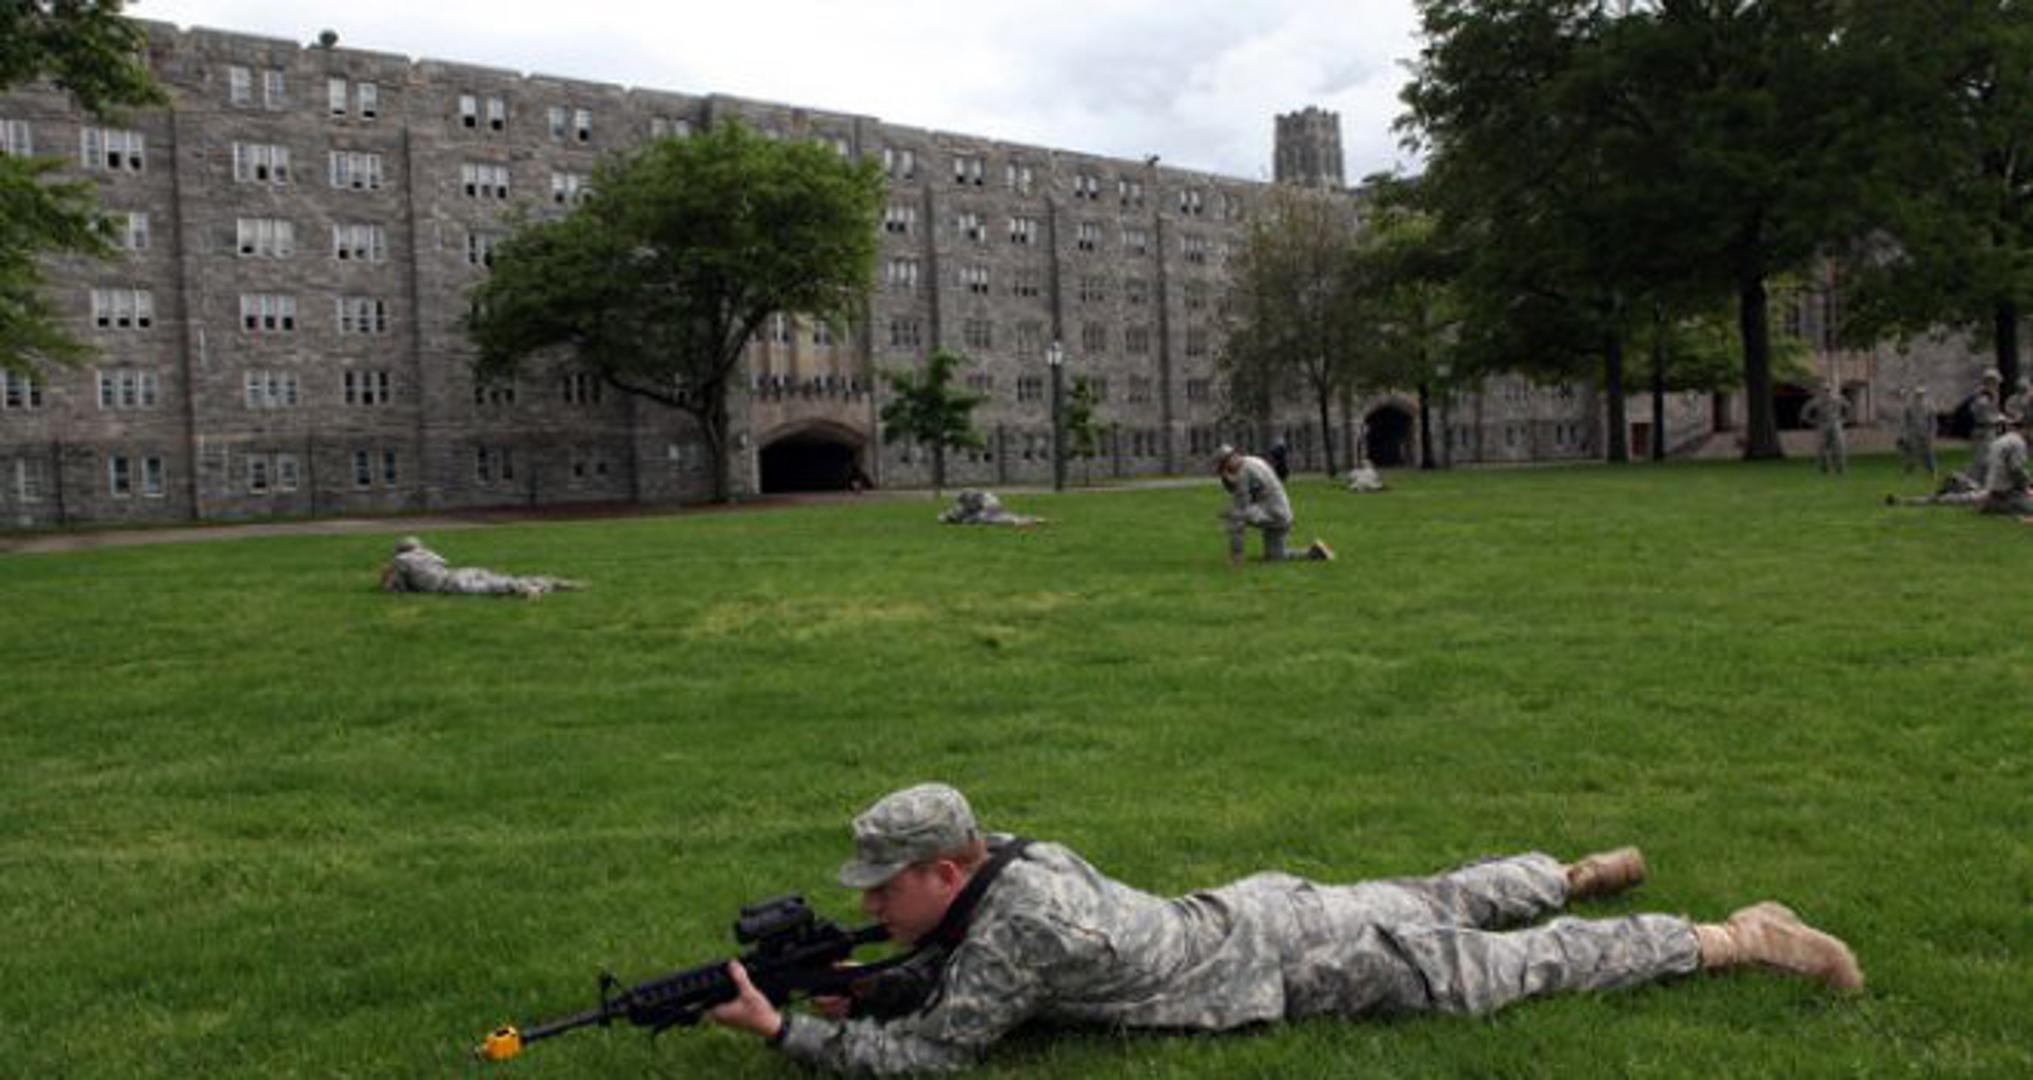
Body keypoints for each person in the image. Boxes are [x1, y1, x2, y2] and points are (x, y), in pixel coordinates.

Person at [707, 783, 1863, 1074]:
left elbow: (933, 1057)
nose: (872, 907)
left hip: (1312, 956)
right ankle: (1566, 869)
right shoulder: (1009, 856)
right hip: (1263, 910)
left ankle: (1731, 937)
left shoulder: (1022, 928)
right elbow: (939, 968)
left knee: (1500, 969)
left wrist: (784, 1032)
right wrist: (878, 982)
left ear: (947, 868)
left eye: (885, 888)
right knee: (1437, 892)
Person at [1214, 444, 1332, 565]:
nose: (1226, 469)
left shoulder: (1243, 473)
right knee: (1276, 556)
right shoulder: (1252, 460)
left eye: (1224, 465)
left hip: (1273, 513)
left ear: (1231, 459)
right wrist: (1227, 480)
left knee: (1235, 516)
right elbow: (1243, 490)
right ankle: (1315, 552)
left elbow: (1241, 506)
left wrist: (1228, 514)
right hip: (1280, 513)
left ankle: (1236, 557)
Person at [378, 536, 581, 597]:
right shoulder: (430, 554)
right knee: (498, 579)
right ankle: (548, 582)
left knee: (491, 588)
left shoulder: (401, 561)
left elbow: (395, 590)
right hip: (462, 571)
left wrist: (386, 575)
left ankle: (527, 588)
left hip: (450, 584)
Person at [1799, 383, 1848, 475]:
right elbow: (1805, 411)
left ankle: (1840, 468)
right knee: (1821, 447)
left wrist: (1844, 419)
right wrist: (1812, 421)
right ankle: (1823, 468)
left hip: (1835, 424)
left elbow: (1848, 406)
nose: (1827, 392)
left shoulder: (1837, 399)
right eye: (1825, 390)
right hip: (1822, 424)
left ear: (1831, 391)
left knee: (1838, 446)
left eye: (1828, 390)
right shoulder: (1816, 401)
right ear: (1821, 391)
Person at [937, 490, 1046, 528]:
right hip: (988, 509)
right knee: (1005, 517)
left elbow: (978, 509)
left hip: (989, 509)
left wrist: (970, 519)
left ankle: (1029, 520)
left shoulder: (983, 501)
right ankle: (1030, 519)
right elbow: (944, 517)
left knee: (999, 518)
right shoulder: (960, 509)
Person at [1895, 385, 1937, 477]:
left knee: (1928, 452)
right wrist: (1904, 433)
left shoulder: (1929, 405)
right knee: (1911, 452)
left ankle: (1932, 471)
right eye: (1918, 394)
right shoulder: (1910, 406)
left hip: (1925, 432)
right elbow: (1905, 420)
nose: (1919, 396)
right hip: (1913, 432)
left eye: (1921, 394)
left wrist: (1931, 433)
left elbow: (1933, 421)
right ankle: (1908, 469)